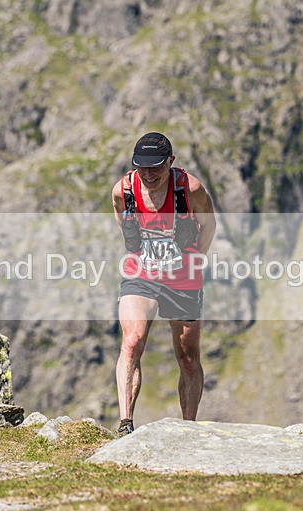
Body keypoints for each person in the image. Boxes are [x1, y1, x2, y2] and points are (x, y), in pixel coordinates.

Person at [111, 132, 216, 435]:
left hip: (183, 277)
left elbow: (208, 225)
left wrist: (195, 260)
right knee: (132, 341)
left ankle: (188, 428)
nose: (149, 174)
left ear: (171, 161)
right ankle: (126, 423)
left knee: (188, 357)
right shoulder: (123, 190)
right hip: (141, 273)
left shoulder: (190, 189)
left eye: (156, 166)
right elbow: (122, 221)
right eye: (142, 167)